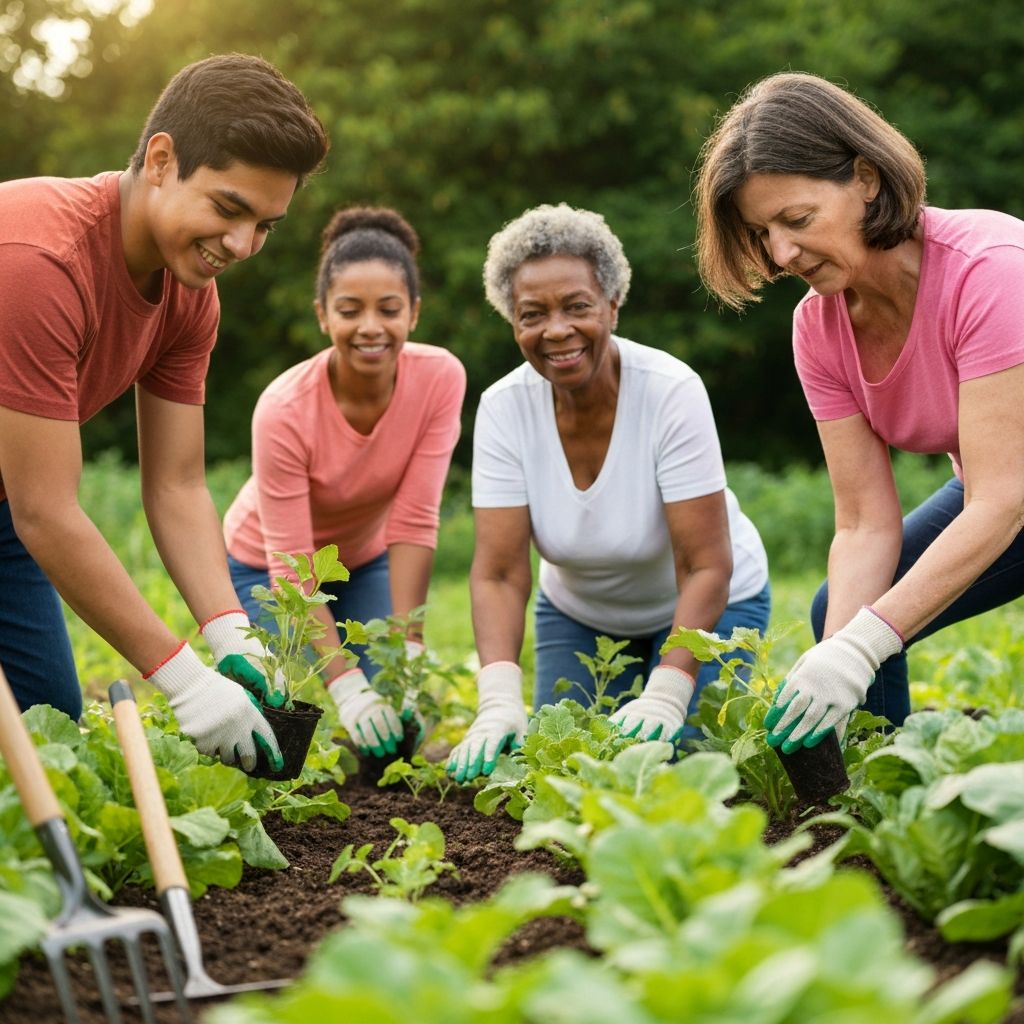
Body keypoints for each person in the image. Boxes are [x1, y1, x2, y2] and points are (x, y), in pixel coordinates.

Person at [0, 54, 329, 772]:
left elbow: (176, 485)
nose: (242, 246)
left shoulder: (190, 296)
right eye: (228, 208)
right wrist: (181, 681)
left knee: (49, 730)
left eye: (266, 226)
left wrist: (229, 633)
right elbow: (47, 512)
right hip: (20, 508)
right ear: (160, 159)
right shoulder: (35, 260)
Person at [693, 71, 1024, 755]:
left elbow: (1002, 499)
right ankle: (867, 798)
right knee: (839, 619)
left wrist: (867, 641)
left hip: (1007, 492)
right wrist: (838, 658)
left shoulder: (992, 271)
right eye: (763, 232)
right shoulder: (819, 327)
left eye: (798, 220)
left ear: (867, 179)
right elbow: (863, 522)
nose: (781, 254)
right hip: (1001, 490)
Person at [447, 203, 771, 782]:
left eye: (577, 307)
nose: (556, 330)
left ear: (612, 306)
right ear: (512, 322)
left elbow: (705, 565)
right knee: (568, 773)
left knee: (691, 771)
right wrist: (498, 697)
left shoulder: (671, 392)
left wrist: (669, 690)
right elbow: (498, 573)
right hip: (581, 615)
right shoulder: (503, 408)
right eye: (532, 314)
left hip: (710, 603)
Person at [223, 206, 466, 759]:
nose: (370, 327)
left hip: (364, 557)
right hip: (262, 564)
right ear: (323, 315)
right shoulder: (284, 408)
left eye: (389, 309)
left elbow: (413, 520)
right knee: (271, 722)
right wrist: (343, 683)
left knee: (398, 730)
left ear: (415, 313)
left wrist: (407, 648)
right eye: (350, 310)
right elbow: (291, 562)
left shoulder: (440, 379)